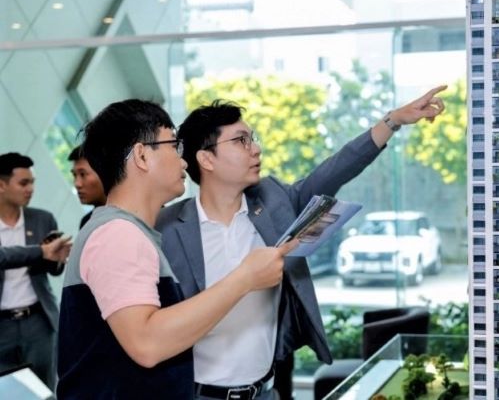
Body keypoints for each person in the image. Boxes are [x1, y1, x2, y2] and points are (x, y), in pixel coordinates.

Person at [155, 85, 446, 399]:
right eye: (241, 141)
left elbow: (334, 171)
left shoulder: (272, 202)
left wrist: (393, 121)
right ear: (206, 159)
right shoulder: (168, 227)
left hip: (266, 392)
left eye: (252, 138)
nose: (256, 148)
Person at [56, 99, 296, 399]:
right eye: (174, 146)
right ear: (142, 155)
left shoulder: (132, 233)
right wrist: (245, 278)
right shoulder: (118, 234)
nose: (184, 161)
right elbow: (147, 343)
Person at [0, 152, 71, 391]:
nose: (30, 189)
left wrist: (58, 259)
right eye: (23, 183)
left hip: (38, 322)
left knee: (45, 389)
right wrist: (42, 251)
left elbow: (53, 270)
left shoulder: (43, 219)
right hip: (2, 326)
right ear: (1, 185)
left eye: (32, 182)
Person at [67, 145, 106, 228]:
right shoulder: (86, 223)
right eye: (74, 175)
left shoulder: (131, 212)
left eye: (83, 174)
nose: (77, 184)